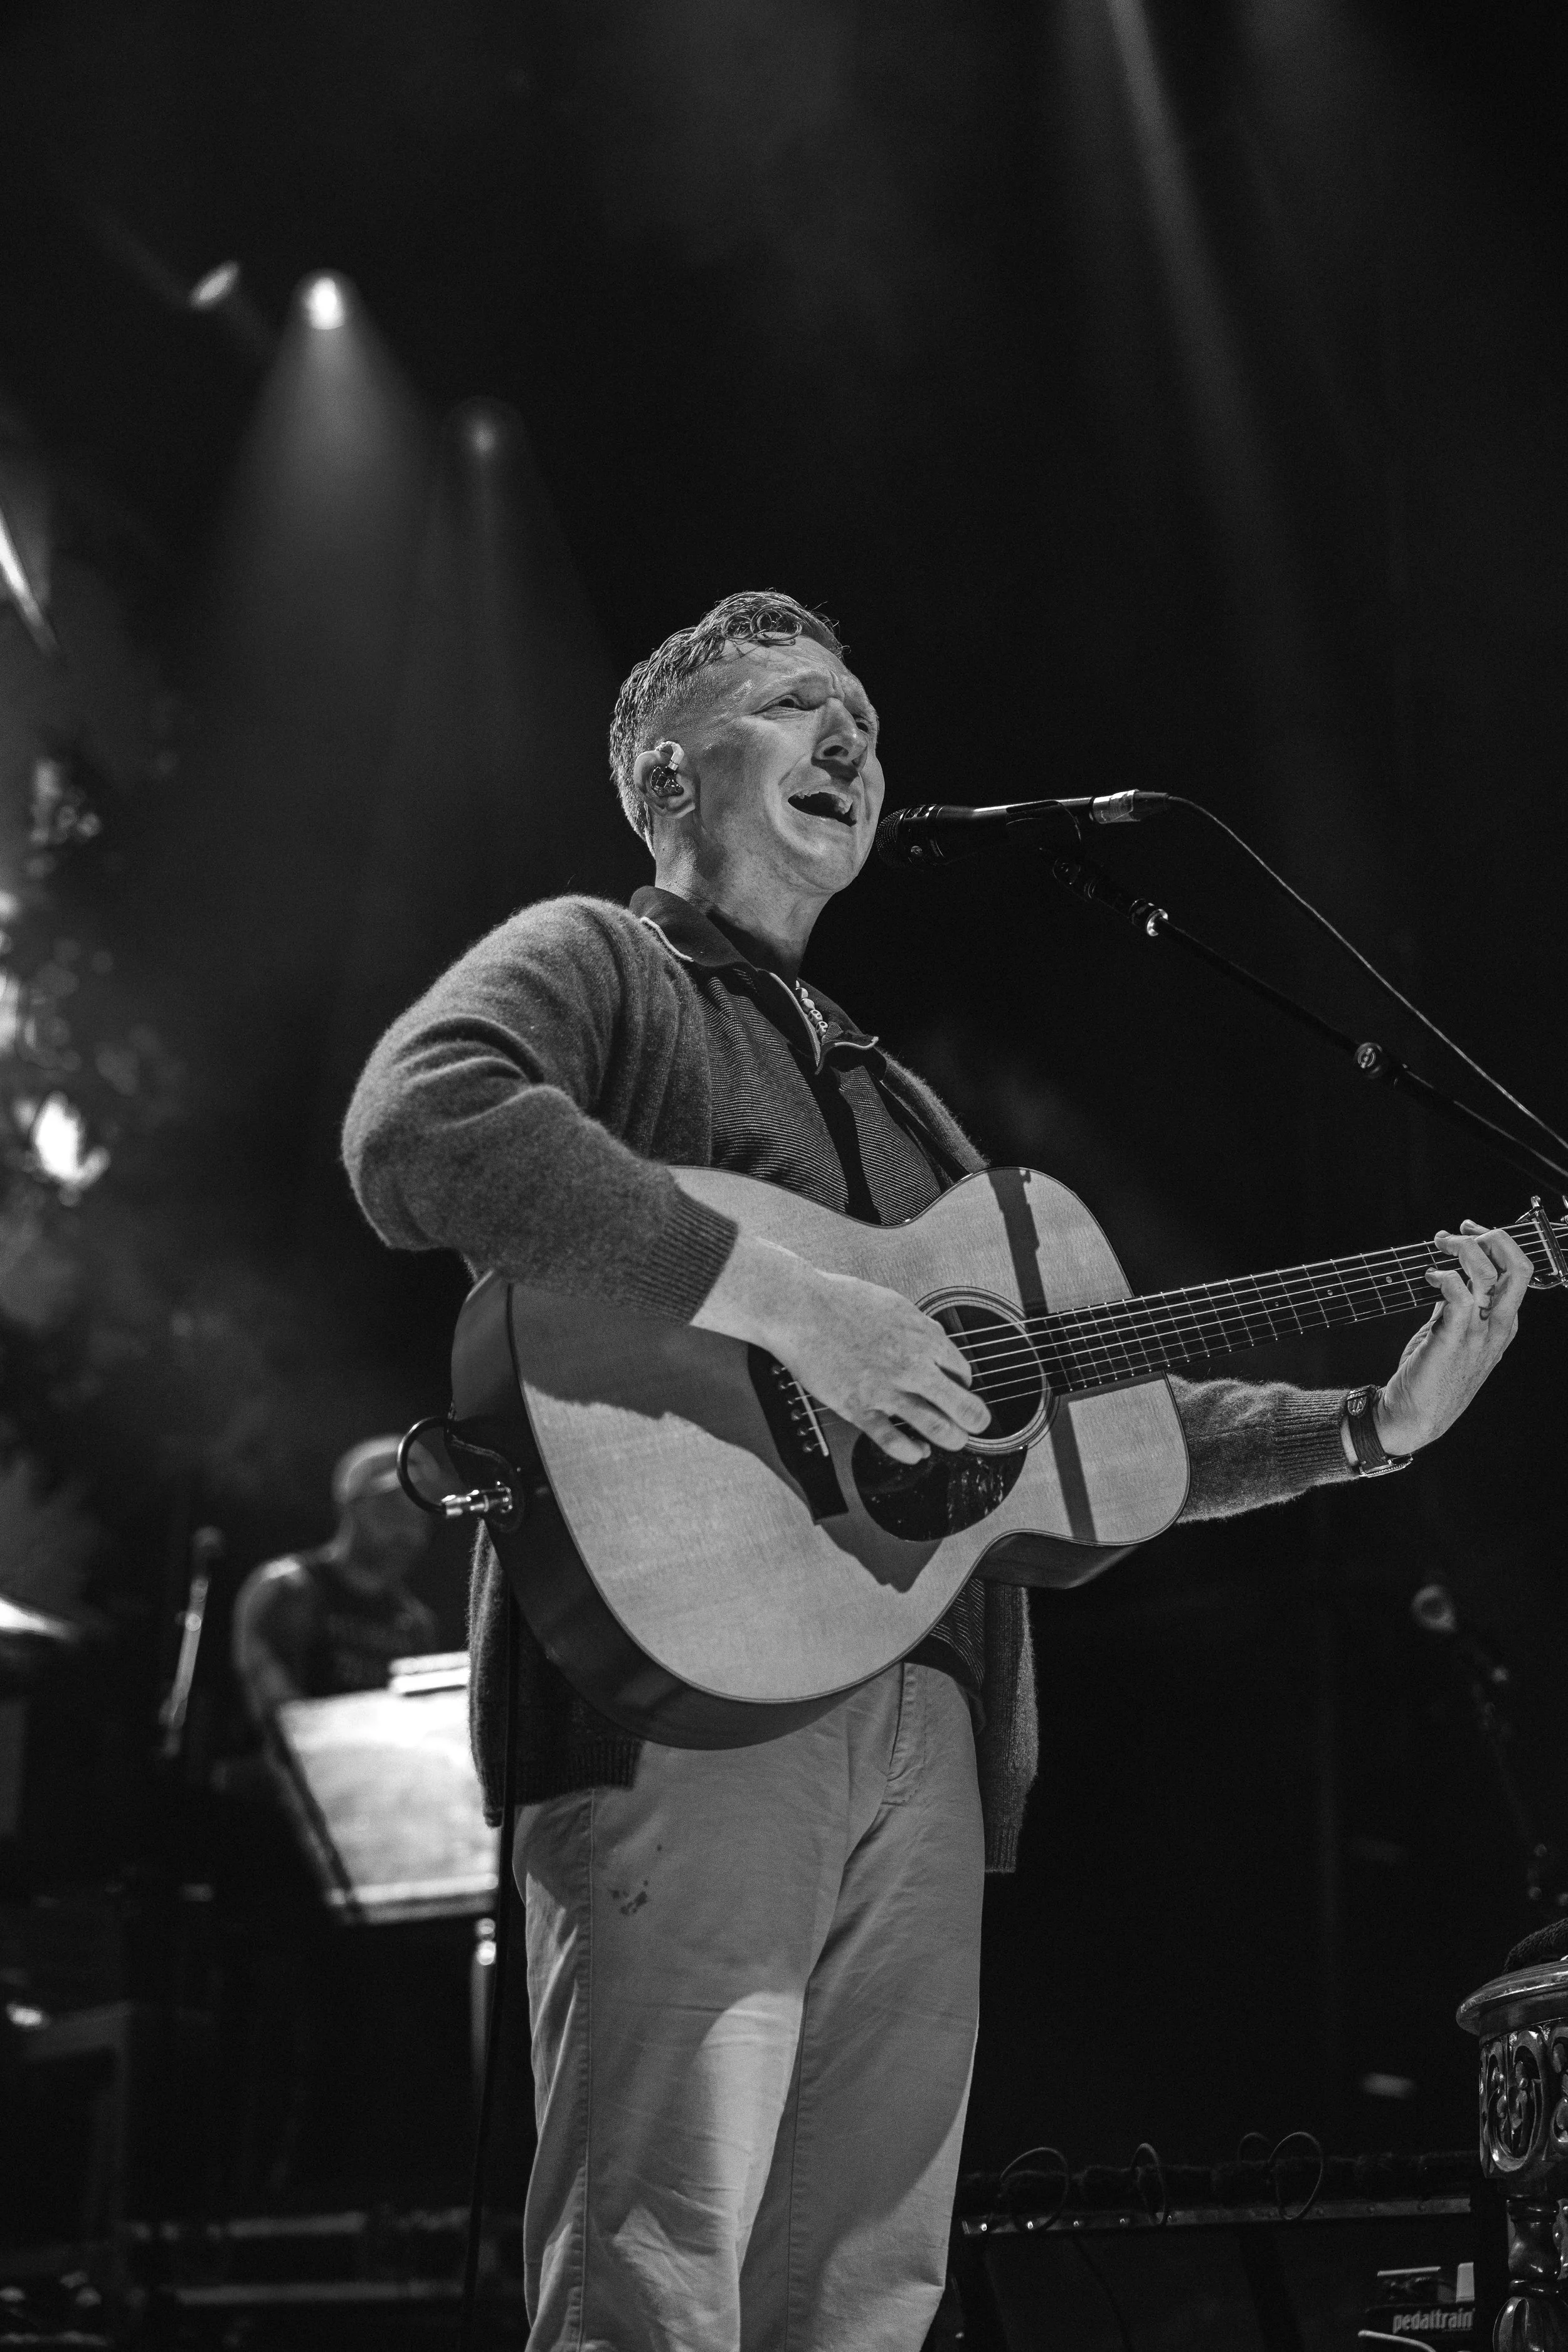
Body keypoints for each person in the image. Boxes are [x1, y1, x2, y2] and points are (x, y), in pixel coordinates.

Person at [341, 591, 1528, 2352]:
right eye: (797, 705)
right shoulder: (600, 956)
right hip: (682, 1697)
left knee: (863, 2290)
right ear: (667, 769)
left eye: (867, 718)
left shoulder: (909, 1111)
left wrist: (1360, 1426)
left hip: (930, 1724)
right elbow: (419, 1125)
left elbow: (1089, 1426)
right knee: (654, 2265)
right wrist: (798, 1306)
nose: (852, 742)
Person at [231, 1435, 437, 1727]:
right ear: (352, 1505)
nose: (408, 1530)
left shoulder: (417, 1624)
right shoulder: (289, 1590)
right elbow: (278, 1721)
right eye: (394, 1508)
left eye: (421, 1513)